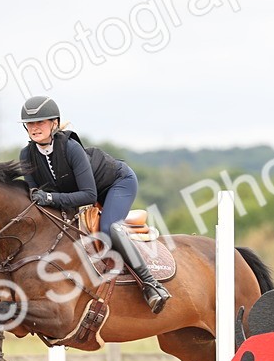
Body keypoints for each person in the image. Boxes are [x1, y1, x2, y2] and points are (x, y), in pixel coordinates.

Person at [18, 95, 170, 314]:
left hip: (117, 184)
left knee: (109, 229)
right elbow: (36, 195)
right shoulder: (27, 155)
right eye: (30, 123)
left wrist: (50, 199)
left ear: (54, 123)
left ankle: (150, 285)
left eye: (40, 122)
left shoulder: (70, 147)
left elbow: (88, 195)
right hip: (79, 193)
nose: (34, 127)